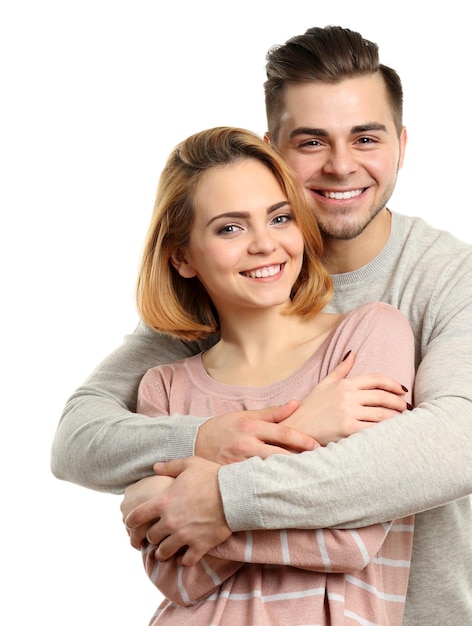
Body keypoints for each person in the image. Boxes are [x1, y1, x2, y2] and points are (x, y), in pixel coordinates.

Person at [52, 25, 472, 625]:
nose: (341, 165)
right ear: (274, 147)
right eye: (311, 142)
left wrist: (219, 497)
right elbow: (78, 438)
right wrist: (204, 440)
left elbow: (454, 448)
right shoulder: (221, 296)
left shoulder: (453, 279)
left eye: (366, 137)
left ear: (401, 144)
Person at [126, 125, 415, 624]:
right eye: (230, 228)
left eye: (280, 218)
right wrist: (301, 430)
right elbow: (179, 577)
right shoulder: (165, 387)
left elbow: (350, 539)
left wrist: (206, 501)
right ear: (182, 256)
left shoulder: (369, 336)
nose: (265, 244)